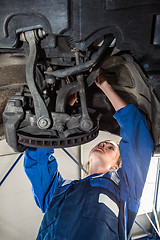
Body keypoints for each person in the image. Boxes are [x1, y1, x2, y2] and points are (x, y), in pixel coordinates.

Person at [24, 70, 155, 240]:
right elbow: (38, 160)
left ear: (117, 166)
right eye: (104, 144)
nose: (103, 144)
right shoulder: (59, 190)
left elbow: (137, 136)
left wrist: (105, 87)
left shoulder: (125, 189)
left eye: (110, 148)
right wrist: (63, 111)